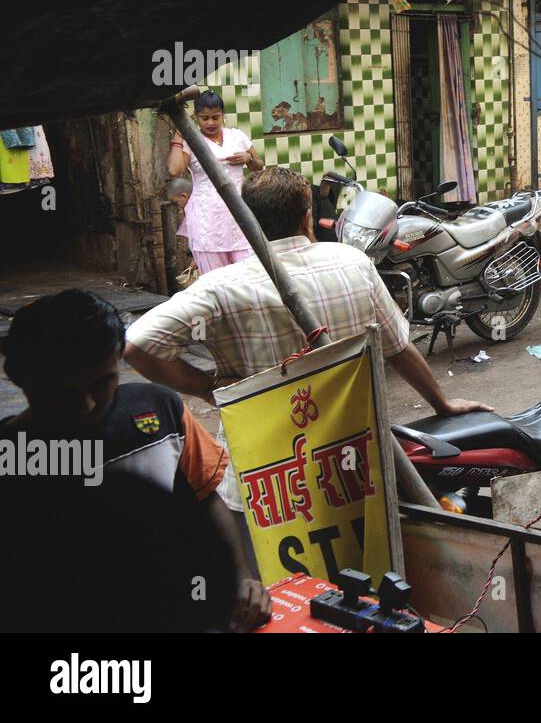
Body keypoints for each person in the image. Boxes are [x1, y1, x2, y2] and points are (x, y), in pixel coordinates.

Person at [123, 168, 492, 506]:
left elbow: (136, 346)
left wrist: (210, 388)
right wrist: (441, 403)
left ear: (247, 222)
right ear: (307, 215)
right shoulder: (353, 263)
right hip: (355, 466)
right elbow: (399, 348)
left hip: (267, 481)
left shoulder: (221, 287)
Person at [0, 289, 270, 631]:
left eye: (102, 382)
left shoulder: (160, 410)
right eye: (62, 391)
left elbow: (204, 500)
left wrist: (239, 578)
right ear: (20, 376)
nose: (86, 405)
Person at [168, 89, 264, 274]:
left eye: (215, 117)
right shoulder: (192, 141)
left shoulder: (237, 136)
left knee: (249, 275)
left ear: (223, 115)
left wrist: (248, 159)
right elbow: (175, 170)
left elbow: (258, 166)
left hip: (240, 216)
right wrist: (180, 132)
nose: (211, 122)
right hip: (207, 221)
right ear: (196, 117)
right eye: (204, 118)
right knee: (217, 281)